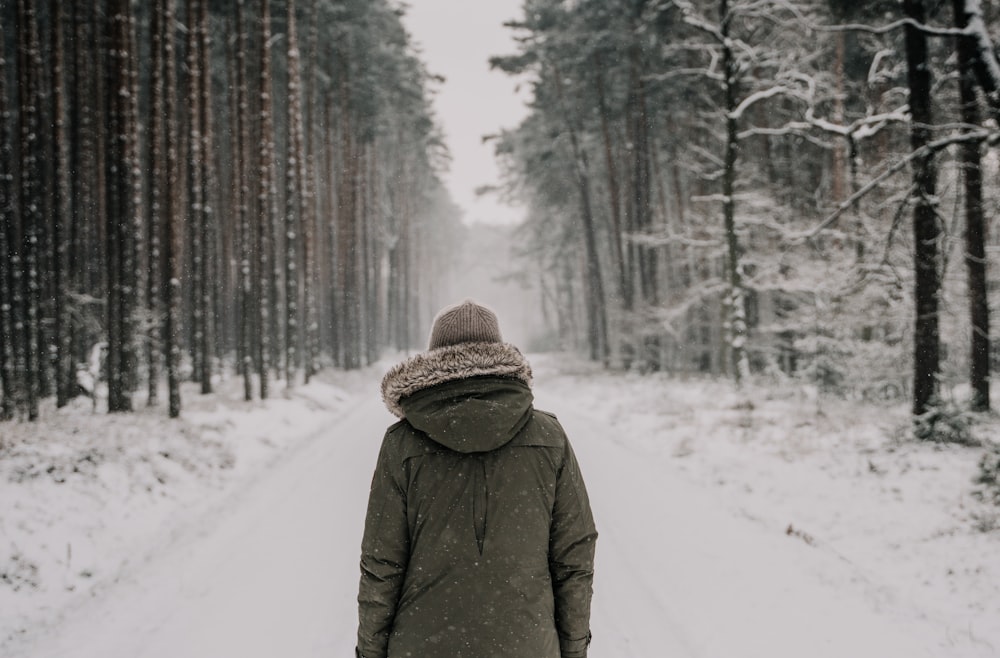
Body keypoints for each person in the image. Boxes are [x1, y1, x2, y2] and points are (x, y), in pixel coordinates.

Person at [356, 300, 598, 658]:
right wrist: (574, 648)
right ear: (498, 355)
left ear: (434, 358)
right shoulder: (548, 436)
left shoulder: (402, 443)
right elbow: (574, 557)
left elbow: (381, 563)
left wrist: (369, 651)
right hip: (527, 645)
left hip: (422, 645)